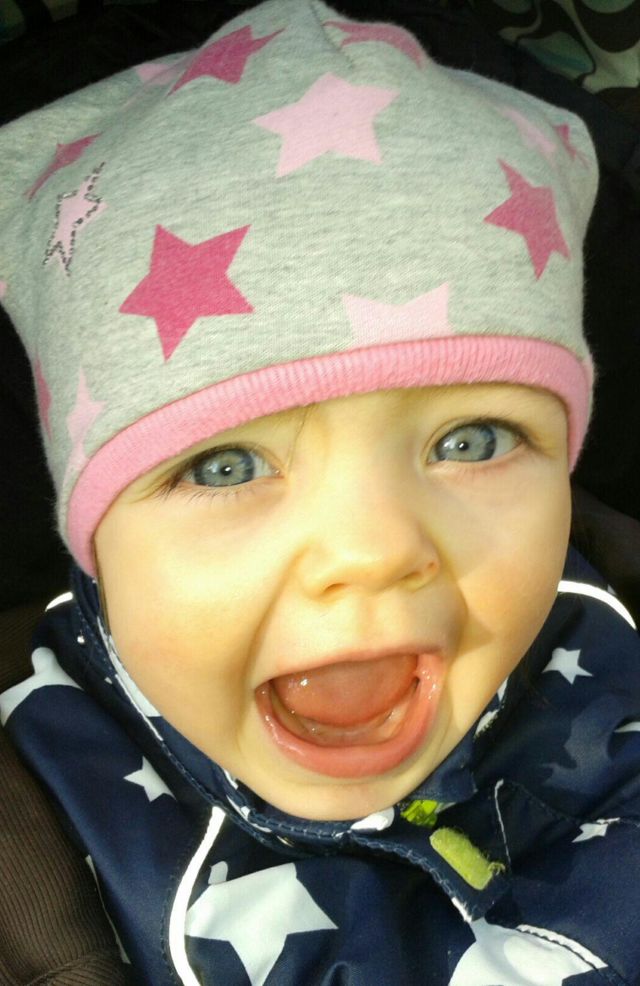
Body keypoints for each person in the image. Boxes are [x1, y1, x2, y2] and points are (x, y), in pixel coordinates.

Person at [1, 1, 639, 982]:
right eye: (224, 466)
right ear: (95, 532)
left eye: (470, 441)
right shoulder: (35, 804)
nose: (371, 548)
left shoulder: (612, 627)